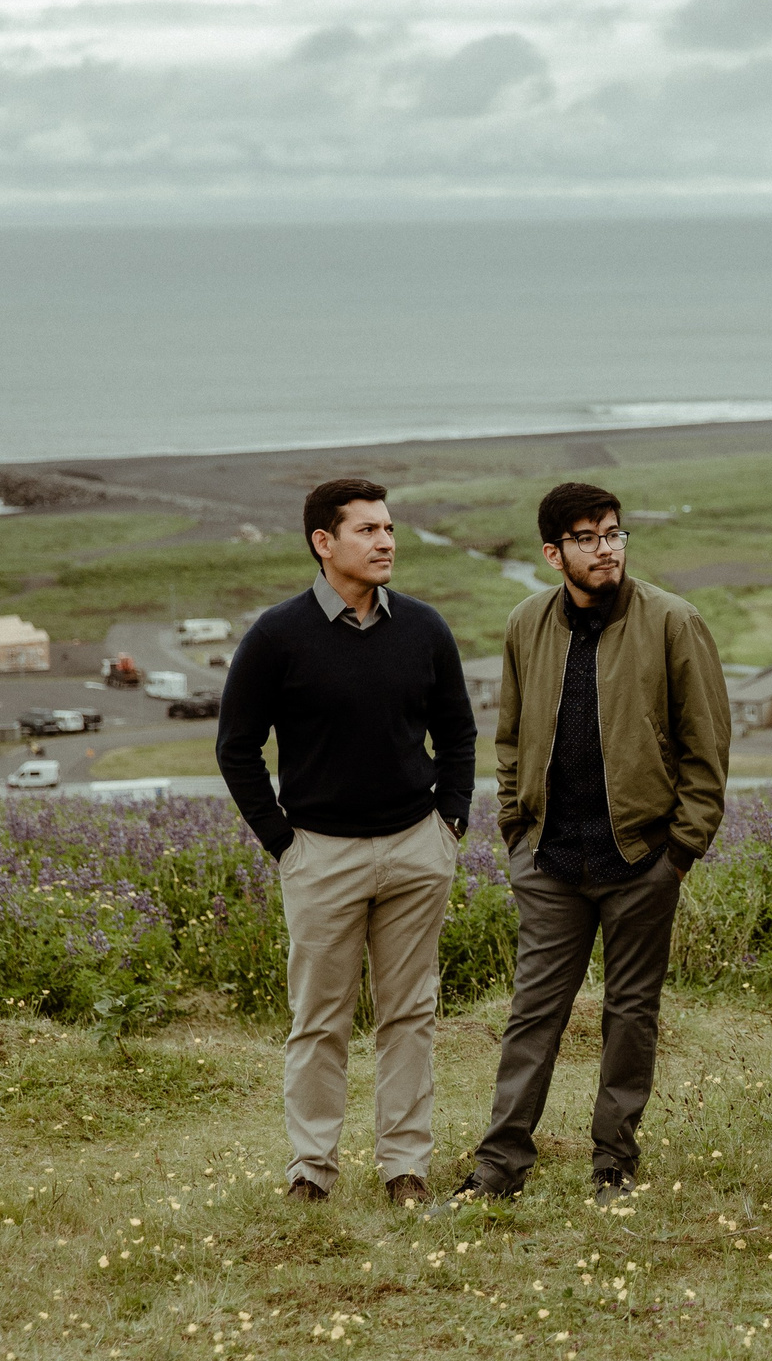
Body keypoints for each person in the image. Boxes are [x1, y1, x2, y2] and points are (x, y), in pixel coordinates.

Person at [454, 482, 730, 1204]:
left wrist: (680, 851)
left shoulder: (674, 621)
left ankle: (614, 1161)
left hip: (642, 858)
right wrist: (515, 829)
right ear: (554, 553)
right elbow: (510, 737)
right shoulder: (526, 622)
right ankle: (500, 1164)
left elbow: (707, 749)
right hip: (549, 859)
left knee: (630, 1014)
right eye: (587, 538)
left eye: (613, 533)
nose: (606, 548)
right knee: (532, 1013)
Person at [216, 478, 475, 1209]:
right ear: (323, 543)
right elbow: (236, 747)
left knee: (410, 1015)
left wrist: (450, 822)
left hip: (416, 849)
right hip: (320, 856)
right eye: (368, 530)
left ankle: (405, 1167)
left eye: (389, 528)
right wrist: (282, 842)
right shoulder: (276, 635)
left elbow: (458, 732)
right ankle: (312, 1170)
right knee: (319, 1021)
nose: (386, 541)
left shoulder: (424, 627)